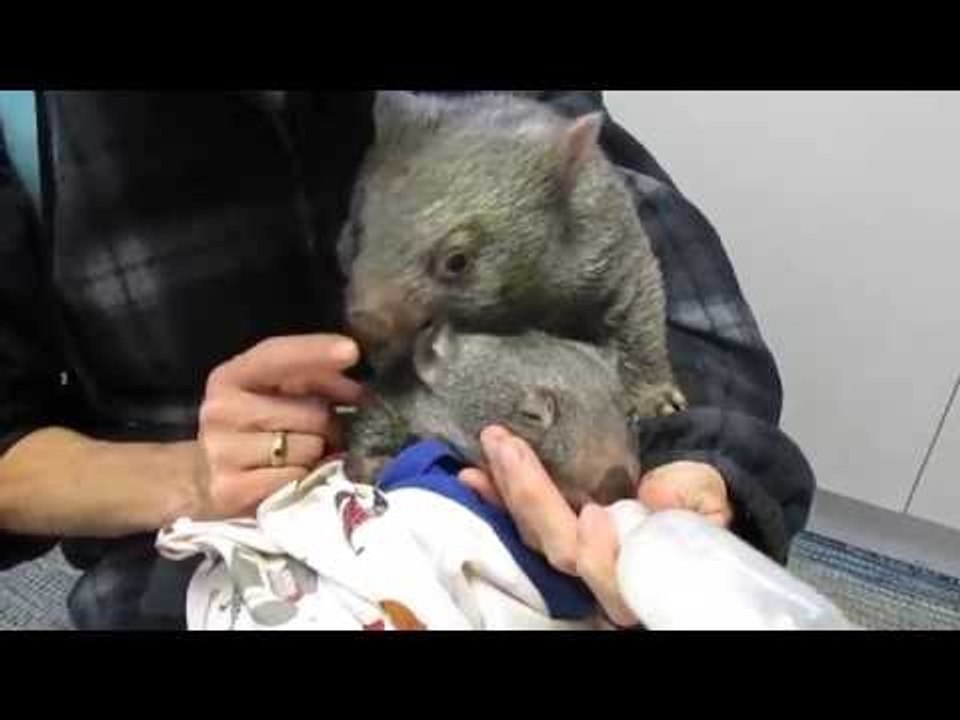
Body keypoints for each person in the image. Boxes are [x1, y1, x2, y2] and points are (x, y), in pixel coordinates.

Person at [0, 91, 815, 630]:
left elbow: (677, 305)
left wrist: (684, 479)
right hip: (201, 569)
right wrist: (188, 479)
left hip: (536, 527)